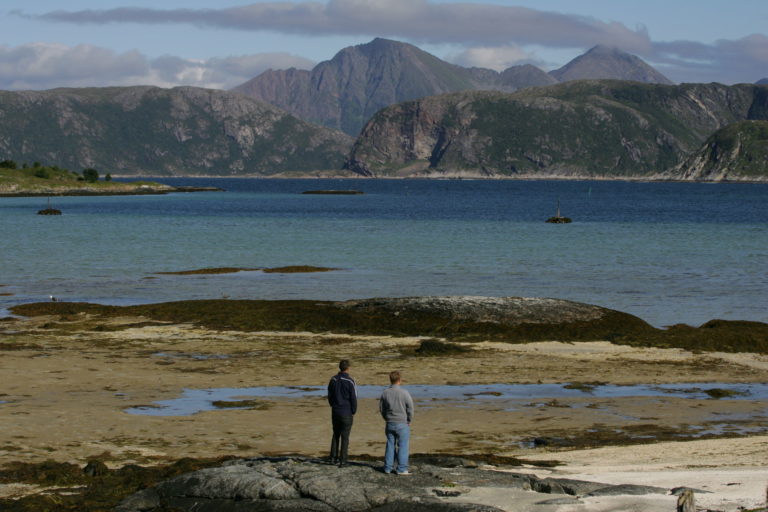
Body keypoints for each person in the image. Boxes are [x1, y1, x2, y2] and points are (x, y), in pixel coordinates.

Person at [379, 370, 414, 475]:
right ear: (399, 380)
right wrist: (409, 420)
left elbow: (381, 408)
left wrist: (386, 418)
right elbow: (410, 408)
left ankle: (388, 468)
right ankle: (402, 469)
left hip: (390, 422)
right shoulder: (404, 393)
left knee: (390, 444)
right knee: (403, 445)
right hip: (402, 423)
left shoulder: (385, 392)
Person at [327, 359, 357, 467]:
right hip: (345, 412)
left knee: (336, 434)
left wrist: (333, 405)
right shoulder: (349, 381)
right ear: (348, 368)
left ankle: (333, 458)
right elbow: (354, 398)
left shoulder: (333, 379)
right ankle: (343, 460)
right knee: (344, 436)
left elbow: (329, 396)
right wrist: (353, 410)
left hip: (336, 411)